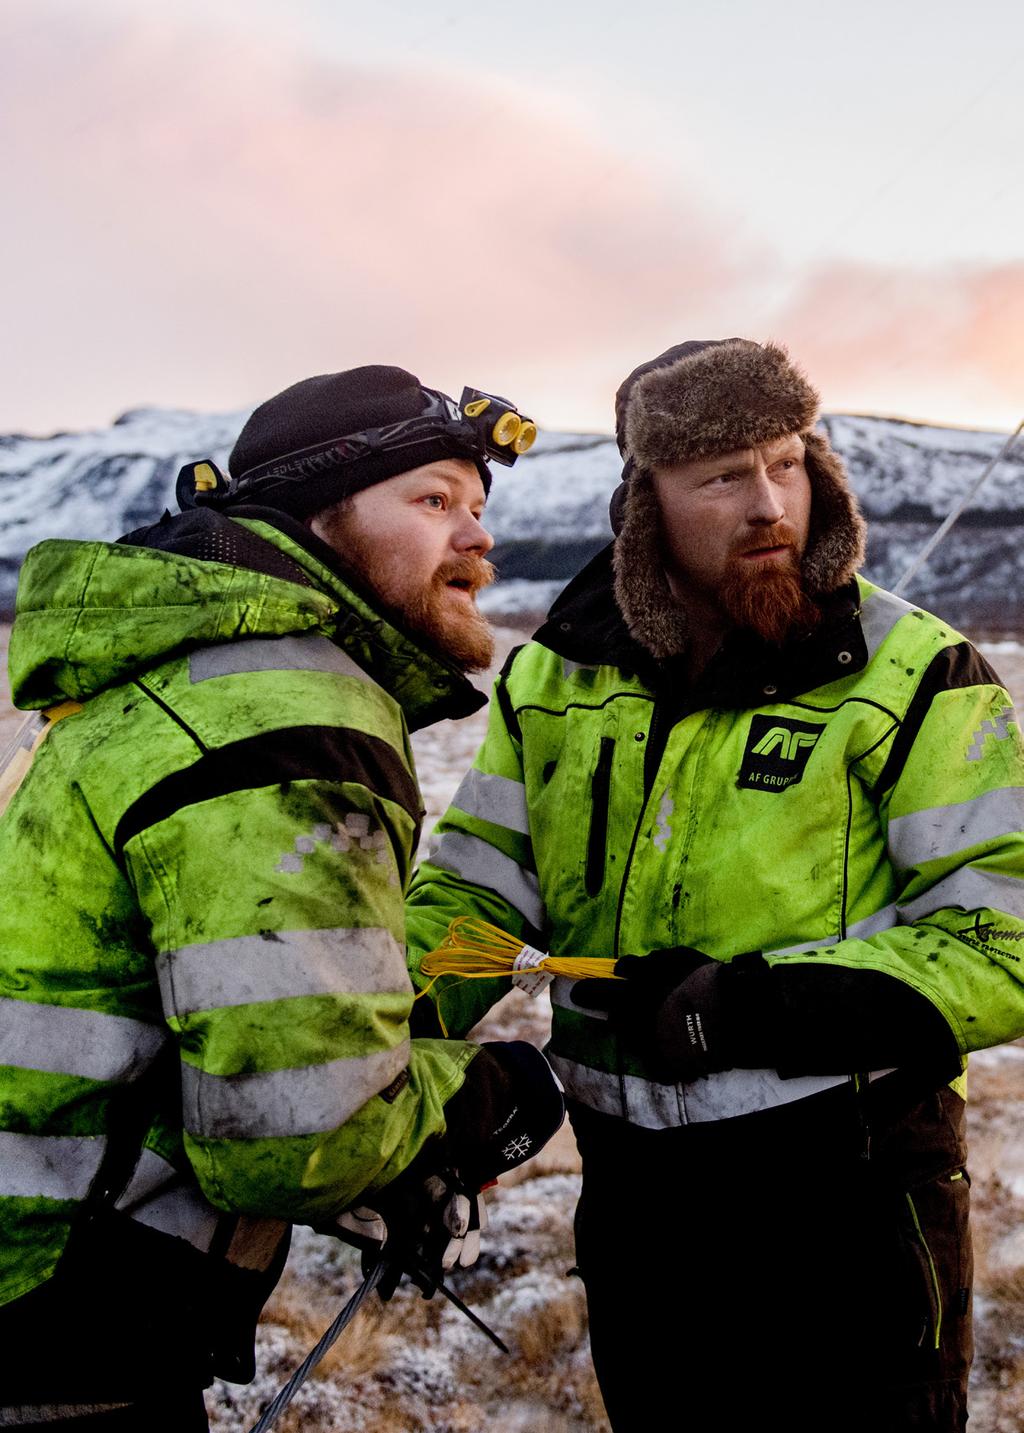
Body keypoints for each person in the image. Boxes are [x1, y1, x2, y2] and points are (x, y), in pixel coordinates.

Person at [404, 339, 1024, 1431]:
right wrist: (374, 1031)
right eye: (721, 477)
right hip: (638, 1196)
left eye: (785, 462)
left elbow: (1001, 932)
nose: (767, 503)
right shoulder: (555, 674)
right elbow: (478, 893)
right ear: (645, 501)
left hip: (853, 1191)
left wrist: (748, 1008)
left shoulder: (916, 673)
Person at [0, 366, 563, 1430]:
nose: (477, 540)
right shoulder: (284, 713)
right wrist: (477, 1095)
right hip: (66, 1318)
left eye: (480, 509)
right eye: (434, 501)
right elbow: (299, 1130)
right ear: (315, 519)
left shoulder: (165, 676)